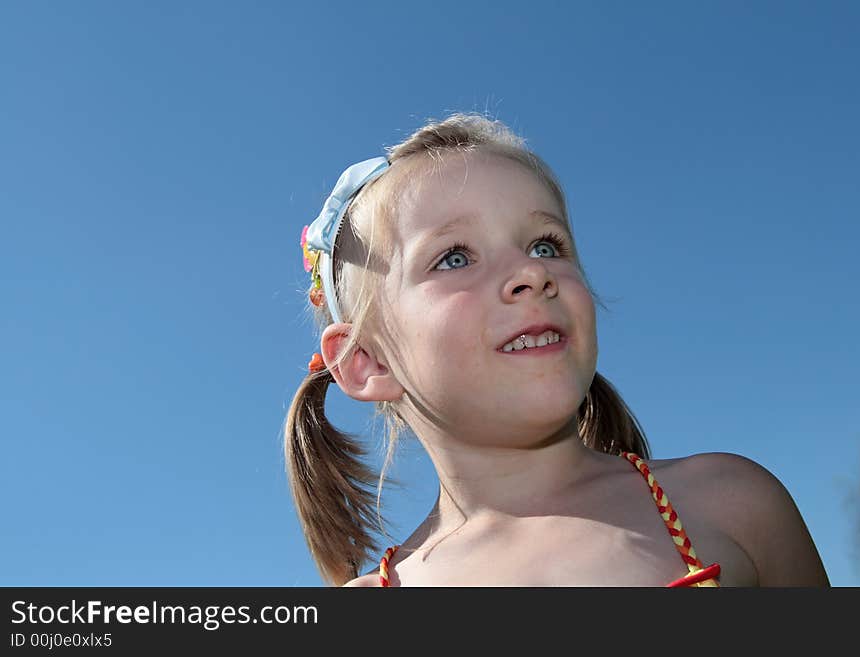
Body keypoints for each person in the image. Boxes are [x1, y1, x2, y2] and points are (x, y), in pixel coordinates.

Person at [284, 112, 830, 587]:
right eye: (454, 258)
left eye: (546, 245)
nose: (531, 272)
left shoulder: (730, 502)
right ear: (367, 362)